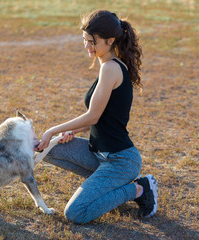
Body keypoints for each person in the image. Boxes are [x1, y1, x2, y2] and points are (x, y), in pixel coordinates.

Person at [35, 10, 158, 224]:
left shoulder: (111, 68)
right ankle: (108, 188)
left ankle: (139, 189)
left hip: (121, 161)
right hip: (98, 154)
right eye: (85, 40)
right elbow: (103, 117)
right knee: (47, 149)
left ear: (110, 41)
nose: (87, 46)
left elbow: (93, 116)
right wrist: (72, 131)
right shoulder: (106, 65)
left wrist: (51, 130)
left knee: (75, 213)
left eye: (92, 42)